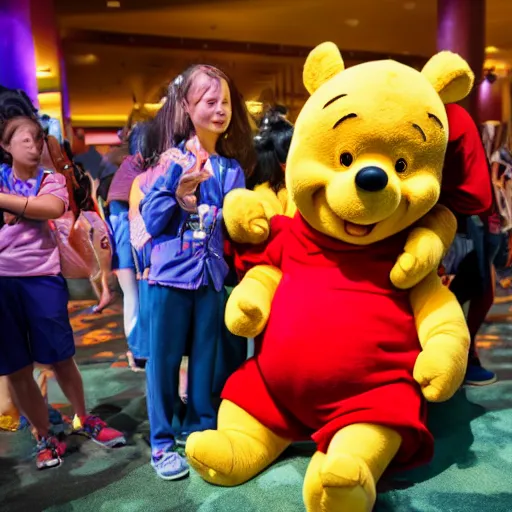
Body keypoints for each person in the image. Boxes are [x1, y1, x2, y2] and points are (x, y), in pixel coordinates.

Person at [140, 64, 255, 480]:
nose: (220, 109)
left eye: (225, 101)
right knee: (164, 363)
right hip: (169, 277)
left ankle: (201, 428)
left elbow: (234, 223)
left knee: (206, 361)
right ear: (188, 108)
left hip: (210, 278)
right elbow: (150, 221)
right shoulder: (171, 160)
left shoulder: (231, 169)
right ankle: (162, 442)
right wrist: (177, 189)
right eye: (210, 101)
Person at [0, 116, 126, 470]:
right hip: (3, 280)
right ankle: (43, 435)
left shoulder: (51, 179)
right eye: (23, 139)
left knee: (60, 355)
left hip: (43, 277)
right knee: (17, 369)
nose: (33, 144)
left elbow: (52, 208)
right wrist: (20, 206)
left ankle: (84, 418)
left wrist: (7, 204)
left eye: (37, 139)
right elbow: (34, 210)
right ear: (6, 145)